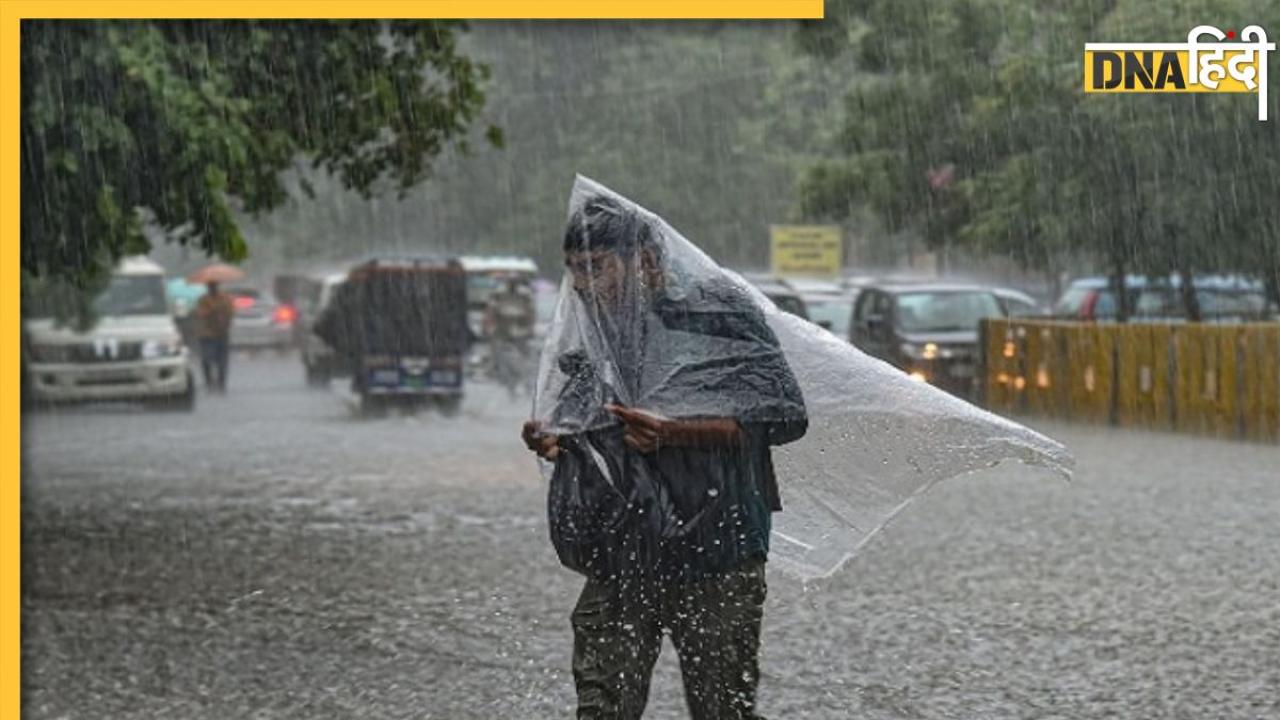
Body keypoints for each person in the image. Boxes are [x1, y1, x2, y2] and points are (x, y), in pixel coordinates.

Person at [522, 193, 807, 720]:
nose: (584, 285)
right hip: (622, 551)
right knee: (601, 707)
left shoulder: (717, 312)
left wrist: (677, 432)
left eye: (596, 268)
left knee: (722, 708)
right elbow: (588, 421)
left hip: (717, 549)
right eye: (573, 272)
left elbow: (785, 416)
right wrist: (559, 441)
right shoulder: (594, 331)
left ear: (647, 261)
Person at [484, 275, 536, 397]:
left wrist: (529, 328)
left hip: (520, 333)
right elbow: (491, 311)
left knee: (523, 362)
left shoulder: (525, 295)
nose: (512, 285)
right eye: (510, 282)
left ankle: (526, 386)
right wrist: (492, 327)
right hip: (503, 333)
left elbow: (531, 313)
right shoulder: (499, 293)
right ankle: (503, 379)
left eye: (514, 282)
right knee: (502, 359)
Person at [194, 281, 235, 393]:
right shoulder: (203, 300)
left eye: (214, 286)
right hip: (207, 334)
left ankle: (221, 383)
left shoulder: (225, 299)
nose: (212, 288)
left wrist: (223, 314)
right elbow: (200, 314)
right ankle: (209, 382)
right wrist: (211, 310)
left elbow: (231, 312)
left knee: (222, 361)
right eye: (210, 286)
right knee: (206, 359)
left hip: (222, 333)